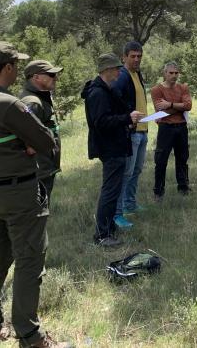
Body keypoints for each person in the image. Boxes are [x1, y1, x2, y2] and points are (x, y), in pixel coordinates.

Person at [0, 42, 66, 348]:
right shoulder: (8, 103)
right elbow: (47, 143)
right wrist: (28, 142)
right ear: (7, 68)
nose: (17, 69)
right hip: (19, 192)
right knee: (29, 260)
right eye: (16, 65)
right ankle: (30, 335)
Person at [82, 54, 144, 248]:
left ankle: (109, 227)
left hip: (116, 145)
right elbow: (101, 122)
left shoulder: (106, 90)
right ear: (106, 70)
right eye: (116, 68)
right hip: (109, 148)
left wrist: (126, 117)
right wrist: (127, 118)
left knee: (114, 190)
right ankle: (102, 234)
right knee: (109, 192)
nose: (119, 72)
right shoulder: (98, 93)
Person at [112, 41, 148, 228]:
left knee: (136, 171)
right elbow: (115, 99)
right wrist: (127, 118)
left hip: (143, 130)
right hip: (131, 132)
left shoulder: (137, 74)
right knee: (125, 173)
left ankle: (130, 204)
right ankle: (117, 214)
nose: (136, 59)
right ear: (124, 57)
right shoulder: (122, 76)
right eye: (132, 56)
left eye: (139, 56)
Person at [18, 59, 63, 197]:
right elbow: (24, 137)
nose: (55, 78)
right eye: (50, 74)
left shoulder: (40, 96)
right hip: (39, 170)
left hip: (44, 166)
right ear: (36, 77)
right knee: (39, 212)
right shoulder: (33, 102)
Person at [150, 61, 192, 199]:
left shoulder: (183, 87)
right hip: (166, 128)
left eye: (176, 73)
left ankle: (183, 187)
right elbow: (160, 111)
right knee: (161, 160)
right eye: (171, 73)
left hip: (181, 127)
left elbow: (188, 105)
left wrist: (170, 104)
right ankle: (158, 191)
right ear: (165, 73)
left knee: (182, 158)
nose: (174, 76)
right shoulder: (157, 89)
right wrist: (179, 107)